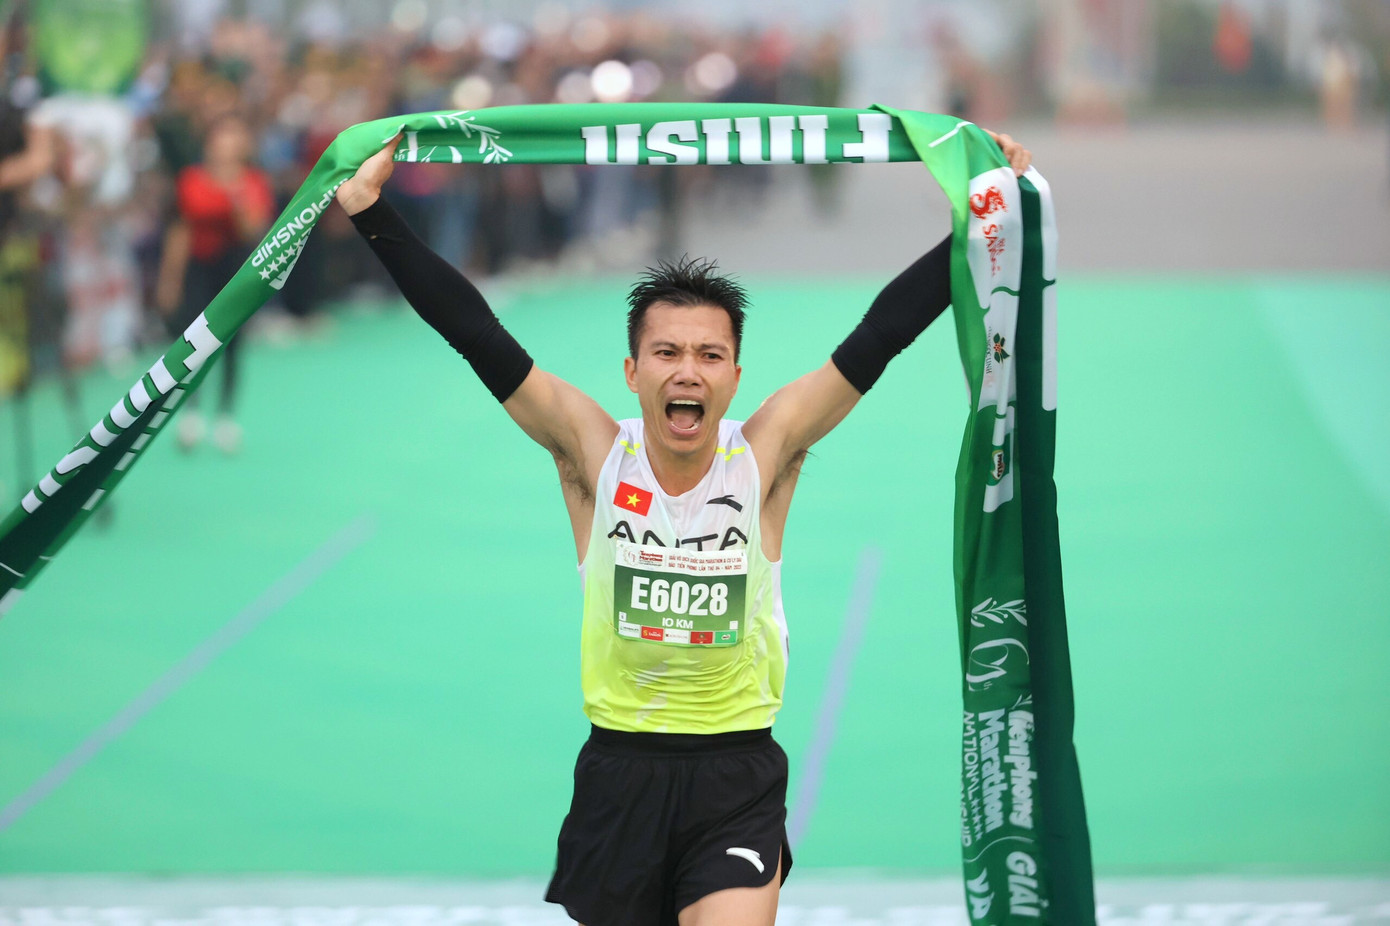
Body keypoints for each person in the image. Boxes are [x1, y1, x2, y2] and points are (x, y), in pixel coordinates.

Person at [335, 128, 1031, 926]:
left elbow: (880, 337)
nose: (688, 370)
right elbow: (476, 334)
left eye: (709, 354)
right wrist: (371, 212)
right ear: (634, 372)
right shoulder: (591, 453)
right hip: (618, 773)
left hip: (736, 775)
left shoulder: (766, 453)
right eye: (666, 352)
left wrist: (980, 219)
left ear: (734, 374)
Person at [156, 112, 273, 453]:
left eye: (234, 136)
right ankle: (190, 413)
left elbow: (255, 229)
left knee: (232, 342)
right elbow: (181, 230)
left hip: (236, 270)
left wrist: (237, 199)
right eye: (221, 136)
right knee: (192, 342)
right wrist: (169, 279)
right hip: (198, 268)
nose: (226, 144)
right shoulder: (191, 180)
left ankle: (226, 417)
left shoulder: (253, 182)